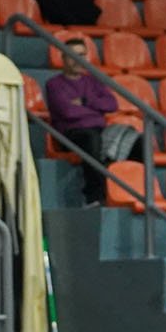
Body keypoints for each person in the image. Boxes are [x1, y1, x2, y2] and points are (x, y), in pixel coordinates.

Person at [46, 37, 117, 206]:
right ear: (63, 58)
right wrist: (96, 112)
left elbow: (112, 104)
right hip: (70, 134)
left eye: (82, 55)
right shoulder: (54, 84)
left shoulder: (93, 80)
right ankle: (95, 197)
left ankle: (132, 194)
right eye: (73, 55)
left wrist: (85, 102)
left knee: (137, 140)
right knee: (91, 139)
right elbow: (68, 112)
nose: (79, 59)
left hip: (98, 130)